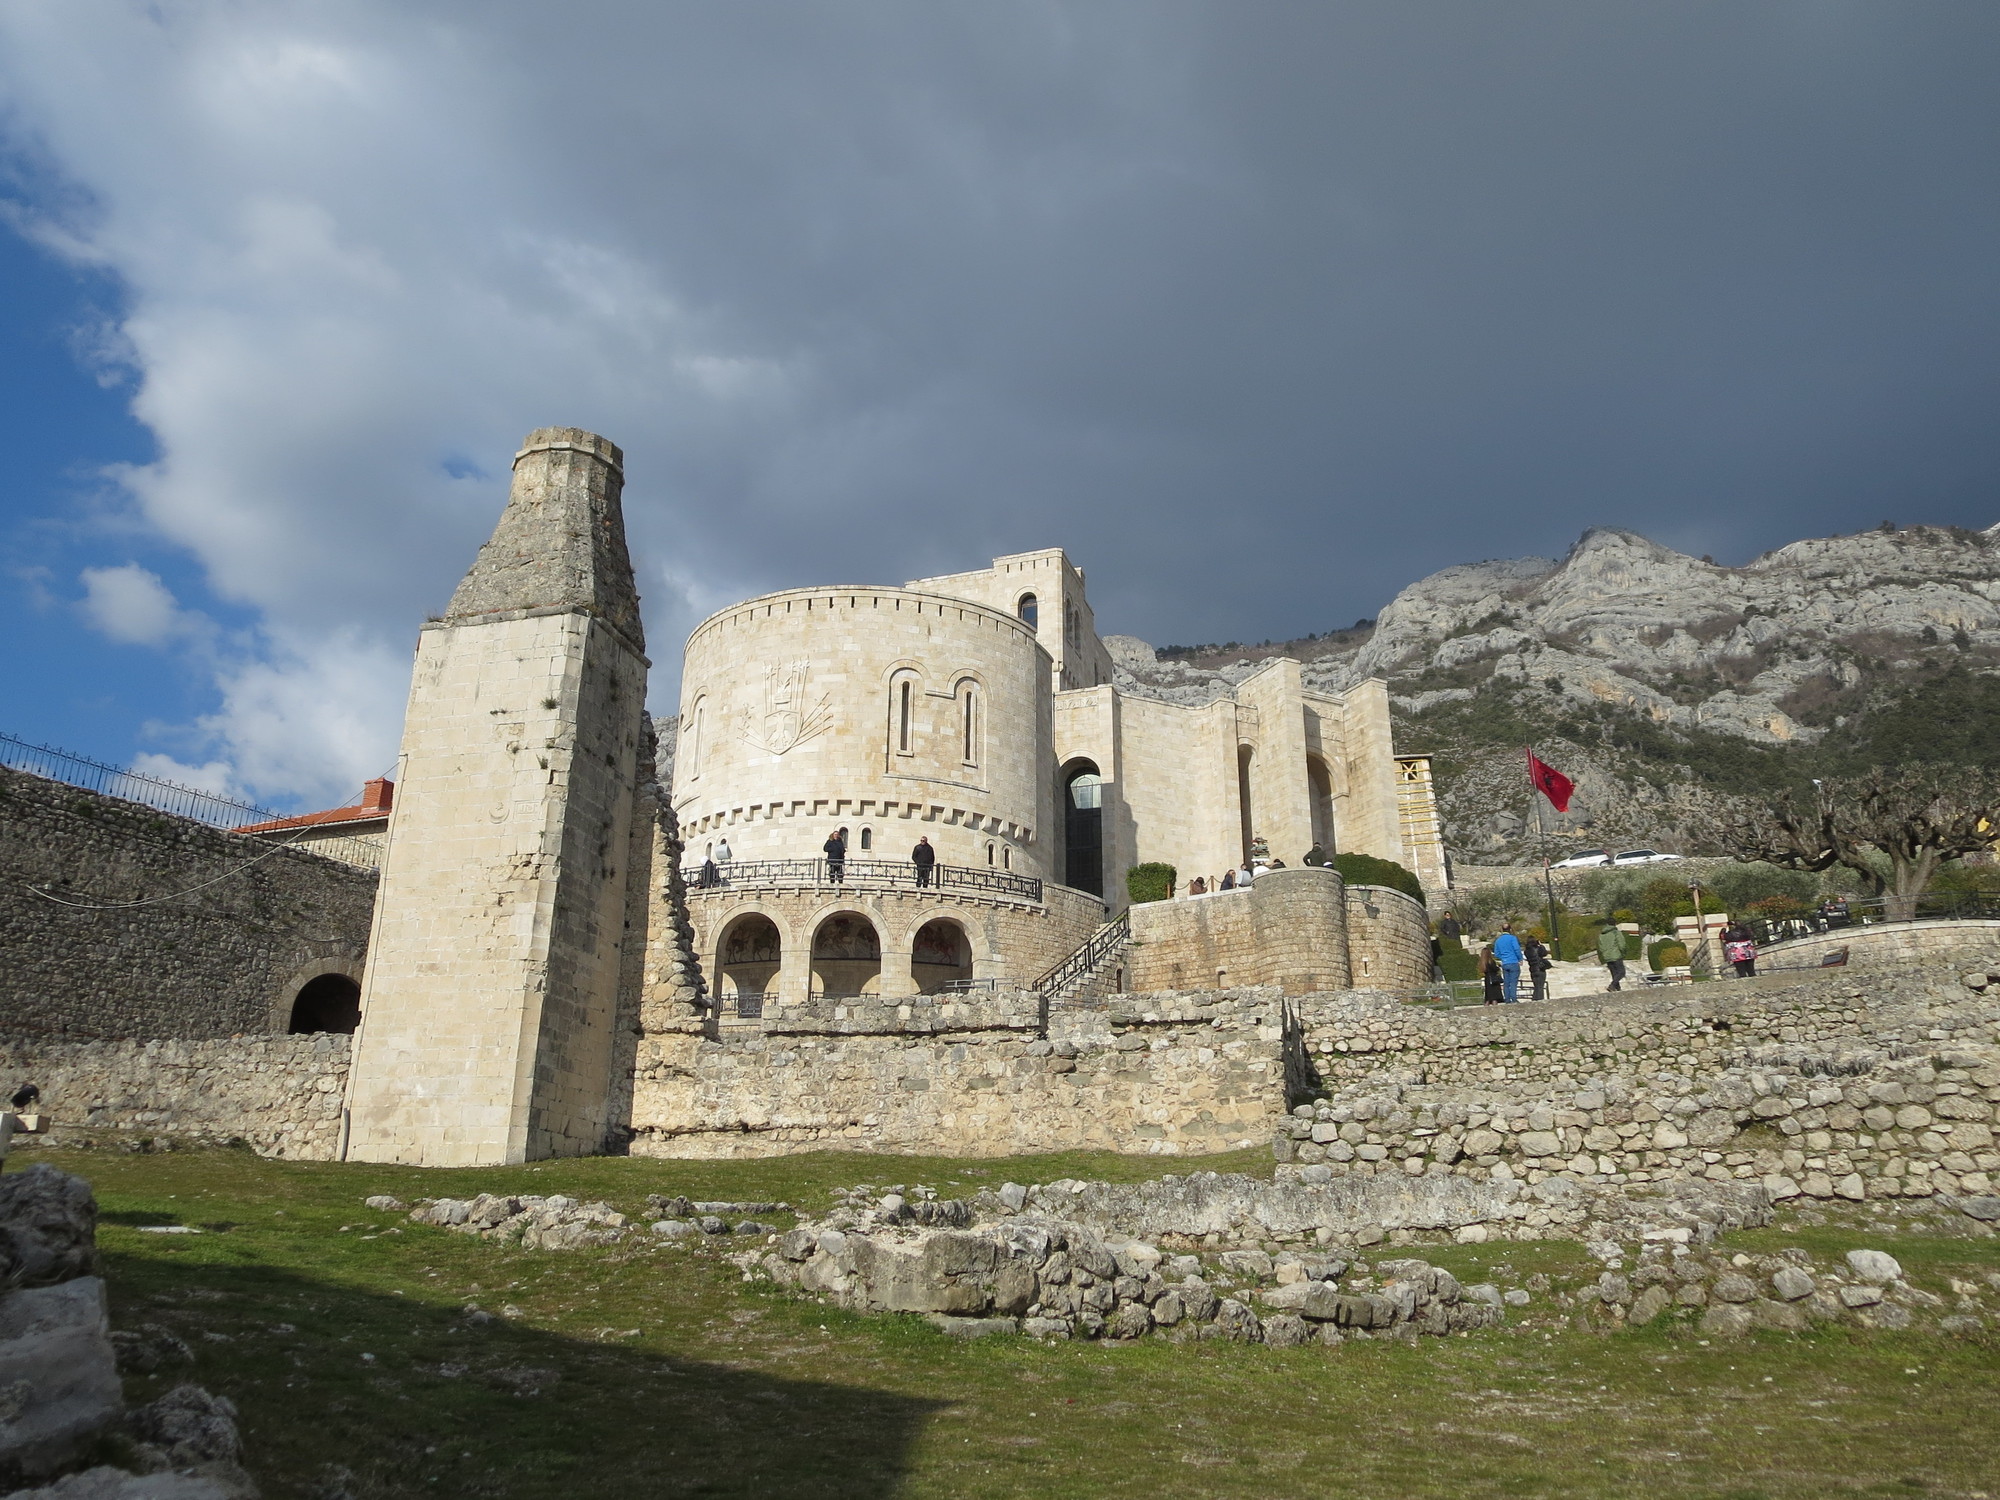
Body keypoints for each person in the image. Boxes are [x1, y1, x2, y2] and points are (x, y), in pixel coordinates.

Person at [1491, 922, 1524, 1003]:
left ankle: (1507, 999)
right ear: (1510, 929)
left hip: (1505, 963)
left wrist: (1503, 958)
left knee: (1506, 982)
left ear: (1502, 930)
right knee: (1513, 982)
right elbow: (1517, 949)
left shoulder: (1498, 940)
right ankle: (1514, 999)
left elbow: (1496, 953)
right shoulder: (1513, 938)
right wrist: (1520, 958)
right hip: (1513, 962)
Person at [1596, 918, 1628, 992]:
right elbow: (1622, 945)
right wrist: (1623, 953)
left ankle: (1617, 989)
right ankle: (1612, 985)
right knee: (1621, 972)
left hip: (1607, 956)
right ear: (1615, 924)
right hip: (1616, 955)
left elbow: (1600, 947)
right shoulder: (1616, 932)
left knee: (1614, 973)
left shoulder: (1601, 935)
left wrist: (1604, 954)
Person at [1524, 932, 1551, 1002]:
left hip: (1532, 970)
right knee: (1540, 987)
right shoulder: (1538, 948)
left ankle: (1534, 1000)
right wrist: (1541, 945)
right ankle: (1539, 1001)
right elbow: (1544, 953)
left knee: (1536, 987)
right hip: (1540, 969)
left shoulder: (1526, 951)